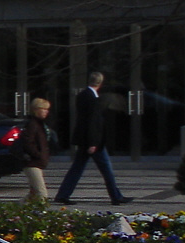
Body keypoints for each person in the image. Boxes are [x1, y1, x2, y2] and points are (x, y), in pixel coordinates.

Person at [54, 72, 132, 206]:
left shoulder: (83, 95)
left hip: (85, 140)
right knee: (106, 169)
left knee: (77, 168)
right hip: (93, 141)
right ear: (100, 83)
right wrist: (93, 142)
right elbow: (92, 122)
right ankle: (116, 196)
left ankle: (63, 194)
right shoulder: (92, 98)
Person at [19, 97, 53, 200]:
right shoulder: (32, 124)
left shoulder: (40, 124)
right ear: (36, 110)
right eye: (44, 109)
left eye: (47, 109)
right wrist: (38, 155)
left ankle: (16, 210)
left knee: (33, 194)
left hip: (36, 162)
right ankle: (41, 215)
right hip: (32, 162)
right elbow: (28, 143)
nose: (46, 112)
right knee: (41, 193)